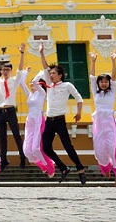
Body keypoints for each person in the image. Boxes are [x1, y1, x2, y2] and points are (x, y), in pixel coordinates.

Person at [38, 43, 87, 184]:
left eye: (54, 73)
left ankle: (80, 169)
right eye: (50, 73)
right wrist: (41, 53)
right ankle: (63, 168)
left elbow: (79, 98)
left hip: (60, 120)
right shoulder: (49, 84)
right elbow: (45, 67)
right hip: (49, 120)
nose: (51, 75)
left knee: (68, 146)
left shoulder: (67, 86)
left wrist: (79, 113)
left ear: (60, 75)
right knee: (46, 147)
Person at [89, 51, 116, 193]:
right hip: (99, 125)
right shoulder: (96, 92)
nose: (104, 83)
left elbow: (114, 77)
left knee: (114, 152)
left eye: (106, 81)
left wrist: (113, 61)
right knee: (99, 152)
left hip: (111, 126)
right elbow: (92, 78)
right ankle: (105, 168)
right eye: (102, 81)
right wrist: (93, 61)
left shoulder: (112, 92)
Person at [0, 43, 28, 171]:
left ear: (10, 71)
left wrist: (21, 53)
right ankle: (4, 159)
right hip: (0, 111)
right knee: (2, 136)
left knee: (16, 135)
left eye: (7, 70)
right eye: (3, 70)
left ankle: (22, 157)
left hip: (10, 110)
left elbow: (21, 69)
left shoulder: (14, 80)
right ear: (1, 71)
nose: (5, 72)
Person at [18, 68, 54, 177]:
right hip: (30, 121)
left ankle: (50, 165)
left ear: (38, 84)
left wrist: (40, 73)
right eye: (31, 84)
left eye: (33, 84)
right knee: (27, 151)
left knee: (36, 148)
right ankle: (42, 166)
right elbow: (21, 83)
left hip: (39, 120)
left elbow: (35, 82)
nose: (31, 85)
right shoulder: (30, 95)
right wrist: (26, 73)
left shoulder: (42, 93)